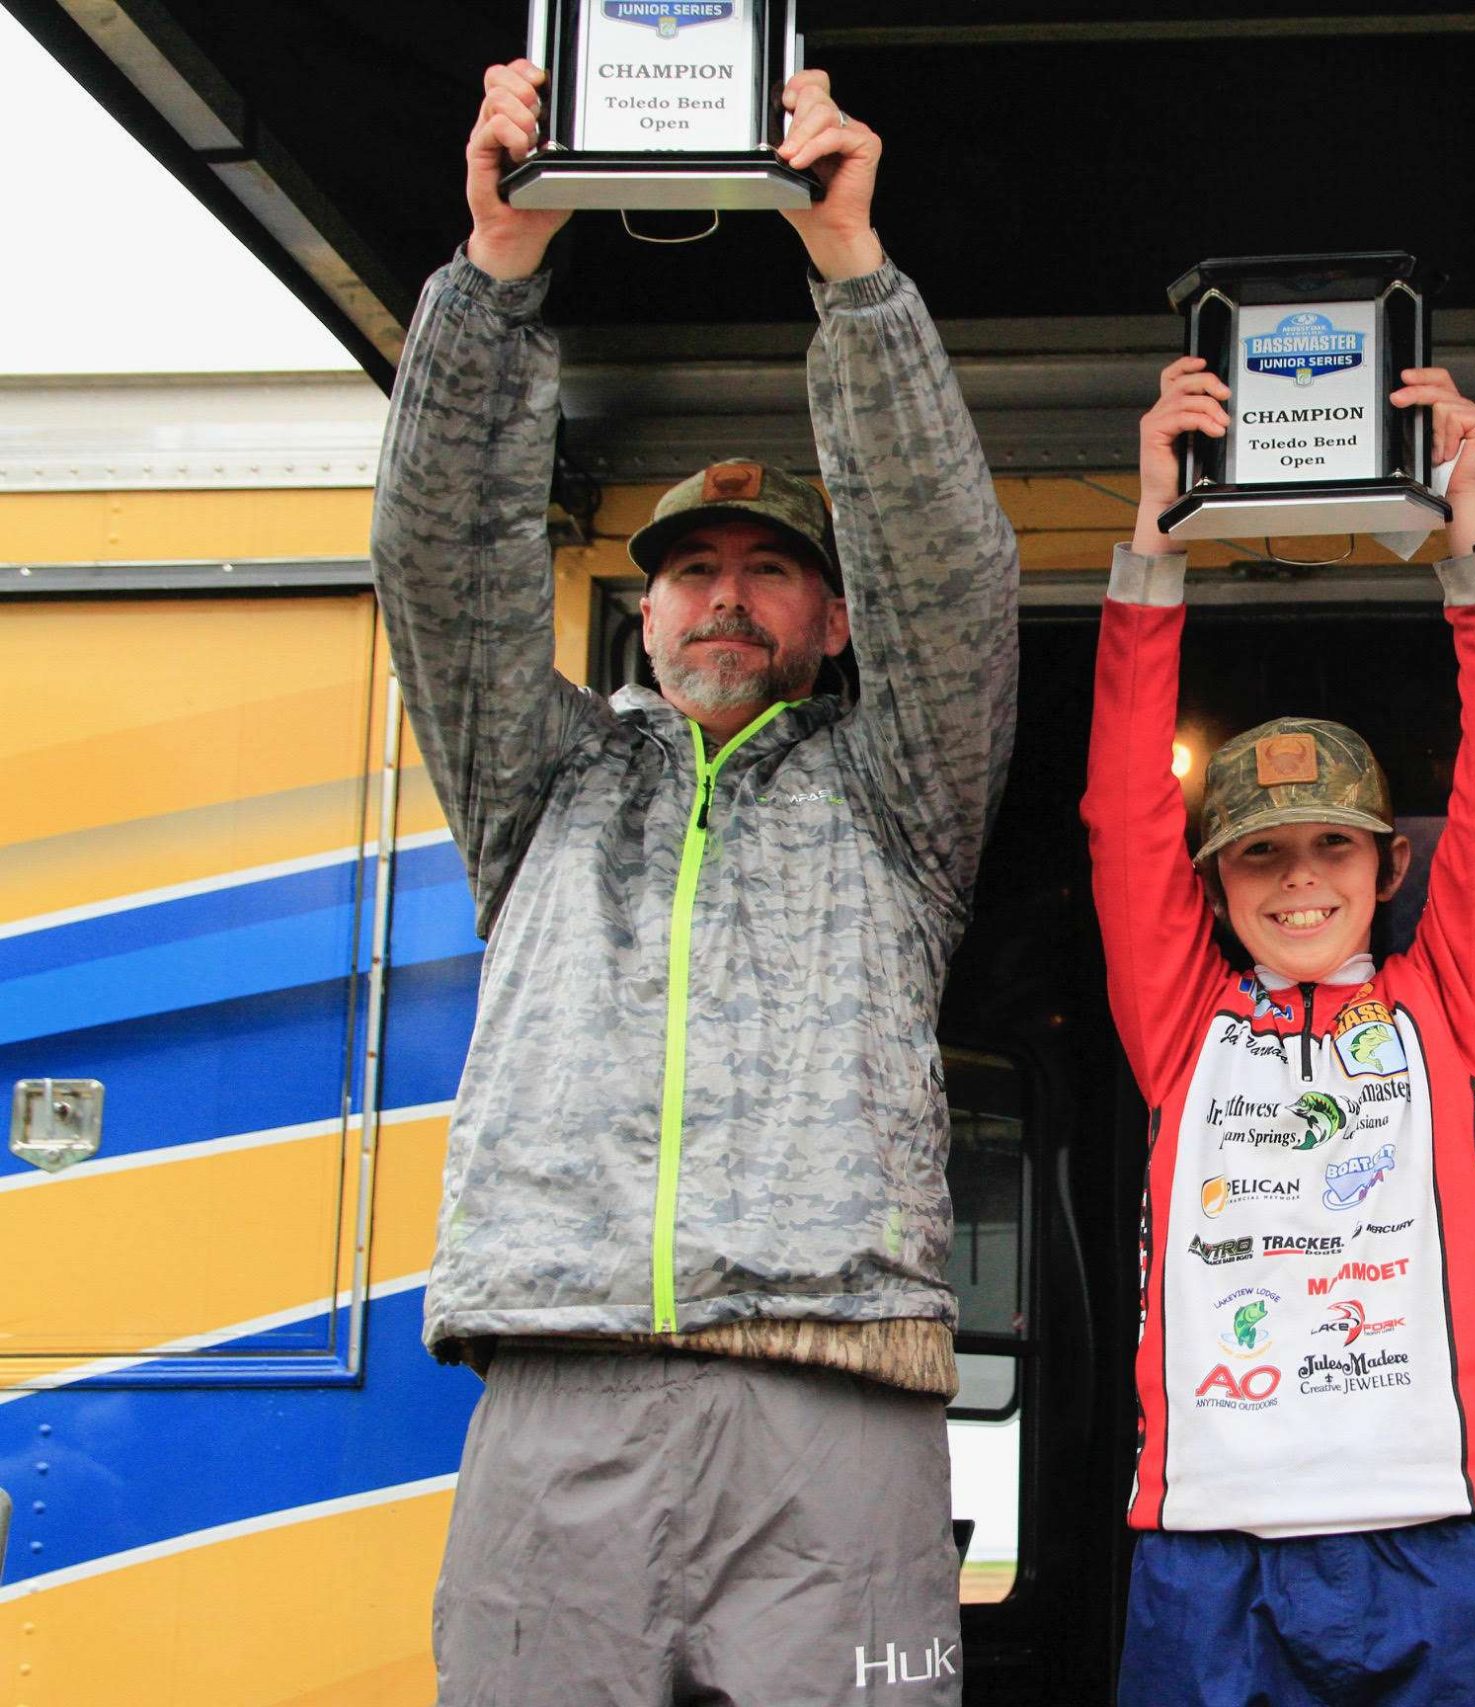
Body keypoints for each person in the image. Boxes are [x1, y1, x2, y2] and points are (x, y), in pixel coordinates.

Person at [372, 58, 1016, 1707]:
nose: (727, 598)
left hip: (833, 1408)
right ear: (645, 616)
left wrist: (851, 269)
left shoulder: (899, 791)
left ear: (836, 620)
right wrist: (496, 271)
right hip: (559, 1386)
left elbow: (949, 571)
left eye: (773, 571)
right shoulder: (543, 782)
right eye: (693, 573)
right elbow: (438, 563)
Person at [1083, 355, 1475, 1704]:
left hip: (1438, 1532)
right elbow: (1123, 811)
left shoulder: (1444, 1006)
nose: (1299, 881)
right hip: (1210, 1543)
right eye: (1259, 853)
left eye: (1333, 846)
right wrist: (1152, 534)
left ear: (1390, 864)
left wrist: (1469, 536)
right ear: (1212, 882)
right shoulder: (1184, 1022)